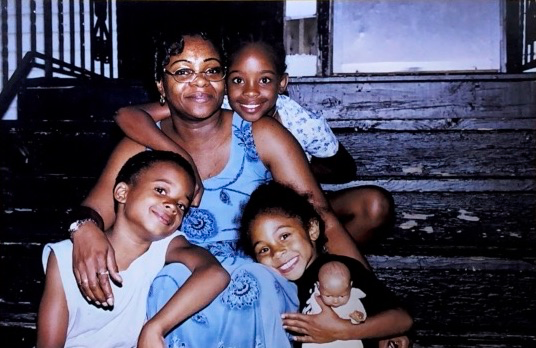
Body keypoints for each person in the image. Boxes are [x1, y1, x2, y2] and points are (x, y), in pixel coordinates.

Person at [68, 29, 364, 347]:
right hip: (178, 279)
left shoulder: (260, 133)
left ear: (223, 80)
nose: (200, 81)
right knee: (170, 282)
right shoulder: (141, 143)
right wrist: (84, 229)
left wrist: (377, 305)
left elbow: (320, 216)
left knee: (255, 281)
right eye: (183, 71)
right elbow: (95, 208)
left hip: (261, 276)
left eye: (212, 70)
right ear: (160, 86)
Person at [114, 34, 395, 248]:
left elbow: (344, 169)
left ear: (282, 84)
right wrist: (182, 157)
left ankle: (315, 268)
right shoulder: (215, 100)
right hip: (254, 211)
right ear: (226, 81)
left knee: (371, 205)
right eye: (238, 80)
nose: (250, 93)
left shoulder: (300, 121)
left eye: (264, 80)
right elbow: (129, 114)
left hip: (299, 196)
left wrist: (289, 170)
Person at [37, 151, 230, 348]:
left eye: (182, 205)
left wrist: (155, 328)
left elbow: (215, 273)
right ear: (122, 193)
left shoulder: (165, 246)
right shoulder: (65, 256)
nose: (172, 206)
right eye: (161, 190)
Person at [238, 181, 413, 348]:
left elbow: (403, 320)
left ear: (312, 229)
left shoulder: (337, 270)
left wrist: (342, 331)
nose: (277, 253)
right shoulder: (278, 295)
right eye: (264, 249)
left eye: (284, 236)